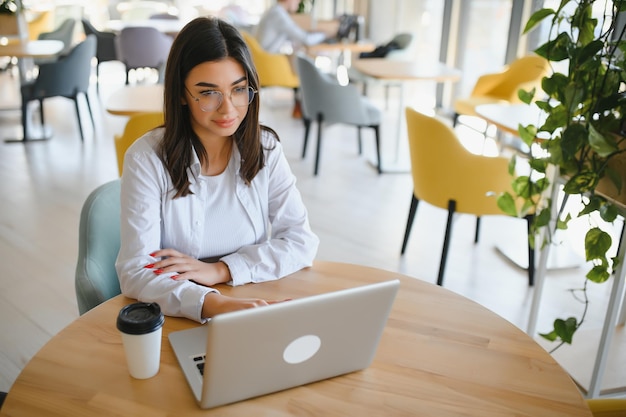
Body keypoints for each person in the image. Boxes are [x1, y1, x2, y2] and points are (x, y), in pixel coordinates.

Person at [115, 16, 319, 323]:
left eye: (238, 90)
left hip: (252, 296)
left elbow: (301, 242)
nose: (228, 109)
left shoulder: (265, 149)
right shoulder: (146, 159)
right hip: (179, 311)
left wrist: (221, 271)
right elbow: (135, 270)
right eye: (208, 93)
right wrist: (213, 304)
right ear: (182, 93)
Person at [255, 0, 326, 54]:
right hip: (267, 61)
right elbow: (306, 39)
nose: (299, 1)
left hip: (264, 60)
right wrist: (325, 34)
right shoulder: (279, 15)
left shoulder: (274, 11)